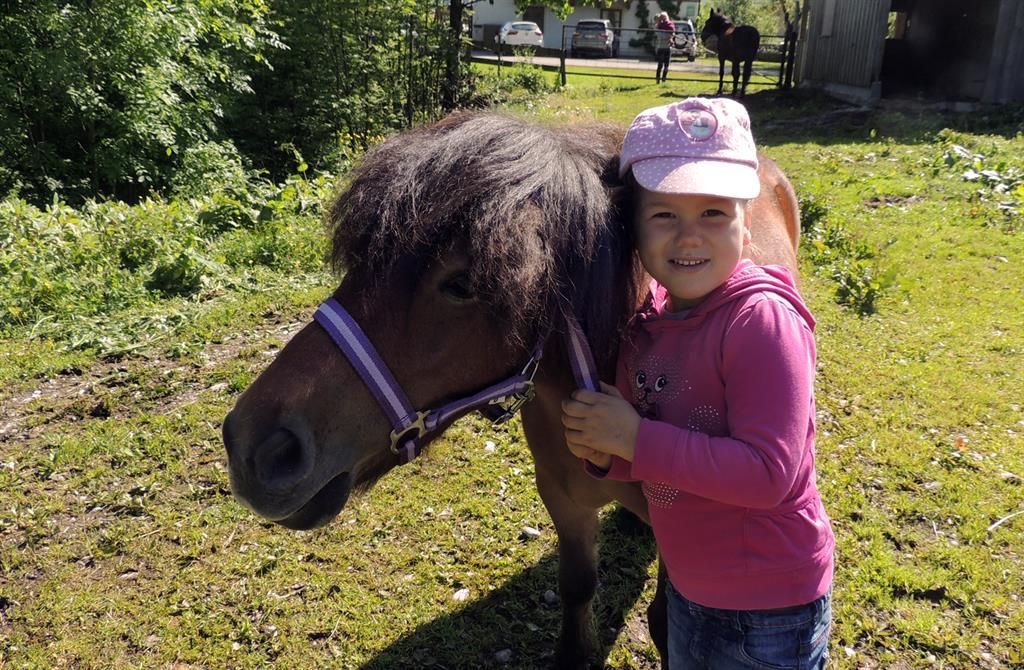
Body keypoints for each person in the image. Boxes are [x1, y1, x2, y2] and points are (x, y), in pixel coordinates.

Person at [561, 97, 835, 669]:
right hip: (693, 587)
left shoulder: (761, 323)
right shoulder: (647, 326)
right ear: (632, 231)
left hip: (768, 607)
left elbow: (768, 474)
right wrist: (608, 454)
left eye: (713, 212)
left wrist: (634, 439)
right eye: (664, 215)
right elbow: (659, 448)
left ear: (746, 221)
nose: (690, 238)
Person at [654, 12, 675, 83]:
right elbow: (661, 36)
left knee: (666, 65)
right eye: (662, 18)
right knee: (660, 65)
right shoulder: (658, 27)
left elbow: (672, 33)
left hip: (668, 48)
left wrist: (671, 37)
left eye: (665, 17)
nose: (664, 19)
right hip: (661, 47)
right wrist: (669, 35)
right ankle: (658, 79)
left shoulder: (669, 26)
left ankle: (664, 79)